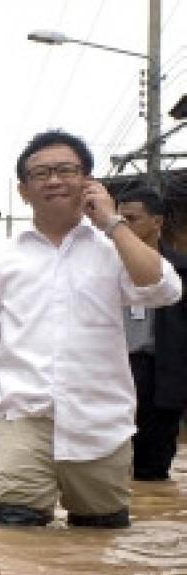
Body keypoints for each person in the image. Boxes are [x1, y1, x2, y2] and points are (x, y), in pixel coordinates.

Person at [0, 130, 182, 528]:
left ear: (87, 181)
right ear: (23, 190)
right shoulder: (2, 260)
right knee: (13, 537)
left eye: (66, 170)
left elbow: (163, 289)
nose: (54, 180)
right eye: (41, 173)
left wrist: (113, 223)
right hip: (22, 418)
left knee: (97, 545)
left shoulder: (113, 248)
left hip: (99, 422)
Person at [117, 187, 187, 481]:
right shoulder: (102, 267)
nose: (123, 226)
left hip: (162, 376)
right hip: (113, 373)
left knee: (152, 474)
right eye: (119, 219)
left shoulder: (182, 270)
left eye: (132, 219)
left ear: (156, 222)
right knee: (103, 469)